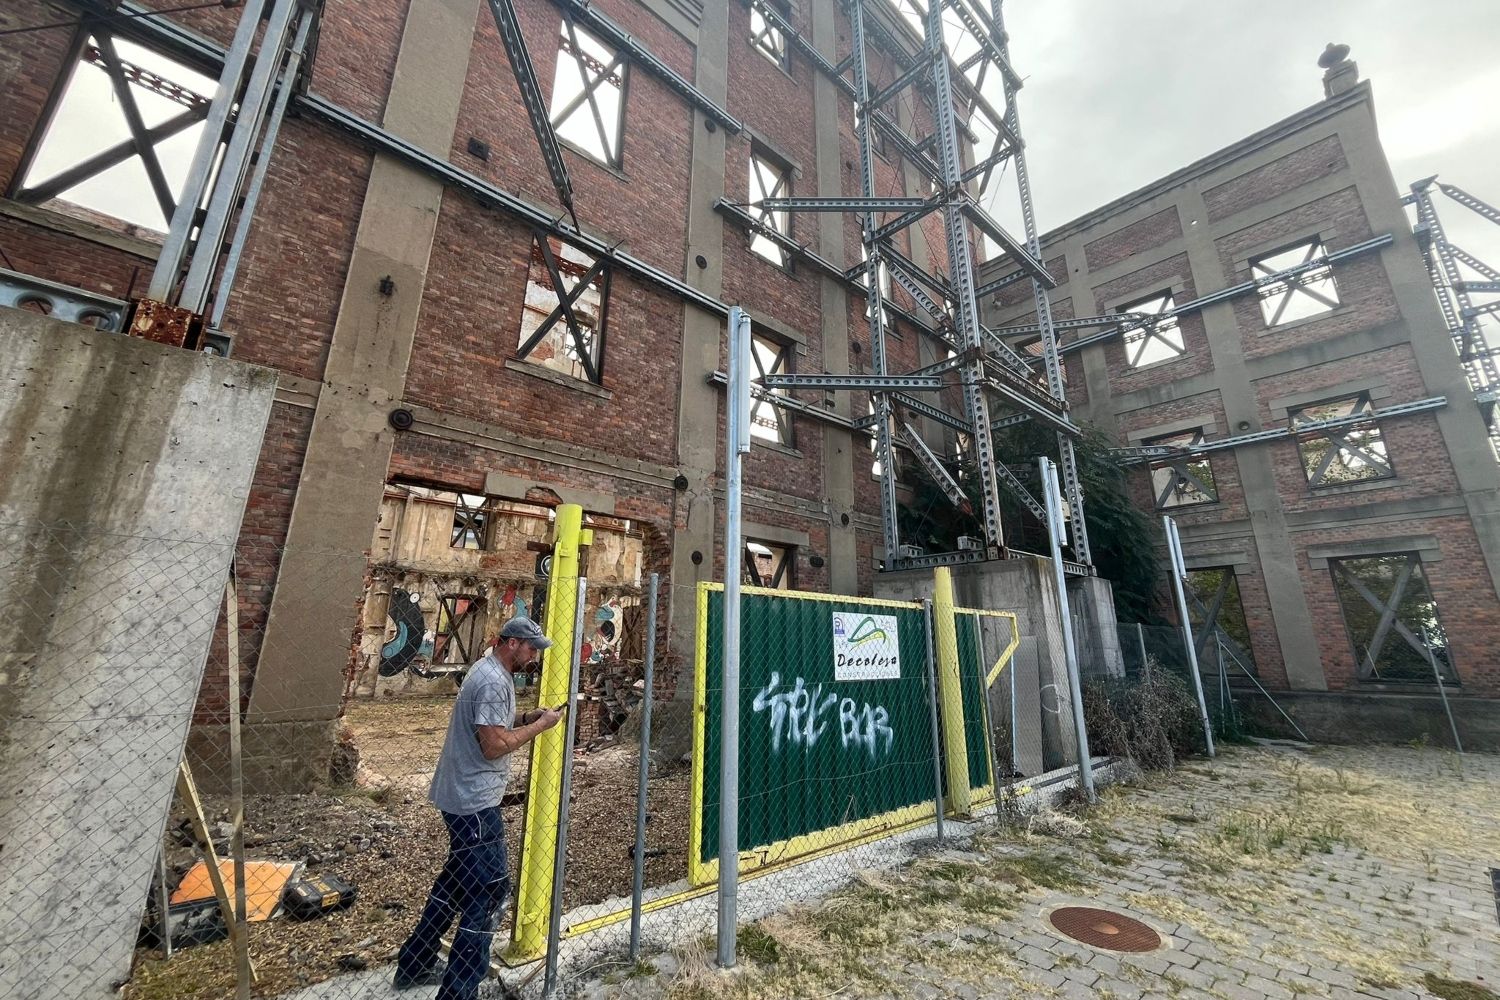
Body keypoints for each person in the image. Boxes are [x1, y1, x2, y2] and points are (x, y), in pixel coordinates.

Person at [394, 616, 565, 998]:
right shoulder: (490, 681)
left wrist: (526, 717)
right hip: (473, 804)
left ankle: (416, 962)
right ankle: (460, 991)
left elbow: (493, 725)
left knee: (455, 884)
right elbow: (493, 746)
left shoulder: (493, 672)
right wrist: (541, 727)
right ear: (511, 643)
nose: (535, 654)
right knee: (487, 891)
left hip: (464, 797)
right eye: (531, 646)